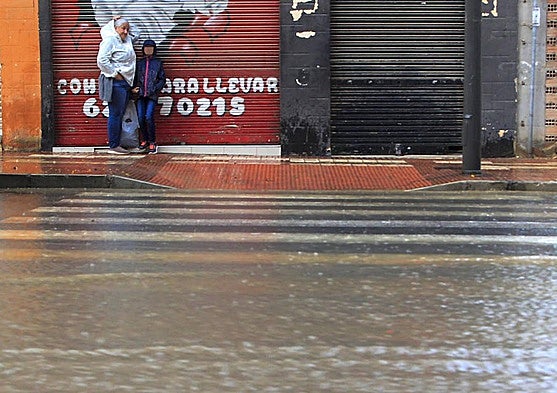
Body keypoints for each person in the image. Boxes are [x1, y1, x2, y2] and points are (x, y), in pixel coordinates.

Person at [96, 16, 140, 154]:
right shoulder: (110, 40)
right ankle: (114, 145)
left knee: (121, 113)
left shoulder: (127, 40)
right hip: (116, 83)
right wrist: (115, 74)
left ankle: (122, 142)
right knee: (115, 114)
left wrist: (124, 21)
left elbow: (138, 34)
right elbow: (102, 60)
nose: (126, 31)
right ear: (115, 29)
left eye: (128, 28)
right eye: (123, 28)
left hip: (126, 82)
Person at [134, 39, 166, 154]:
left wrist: (155, 88)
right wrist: (134, 89)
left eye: (150, 47)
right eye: (146, 47)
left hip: (152, 95)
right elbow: (134, 78)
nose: (148, 50)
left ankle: (152, 141)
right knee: (141, 117)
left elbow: (162, 79)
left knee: (148, 116)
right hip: (141, 95)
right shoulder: (139, 63)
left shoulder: (158, 63)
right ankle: (144, 140)